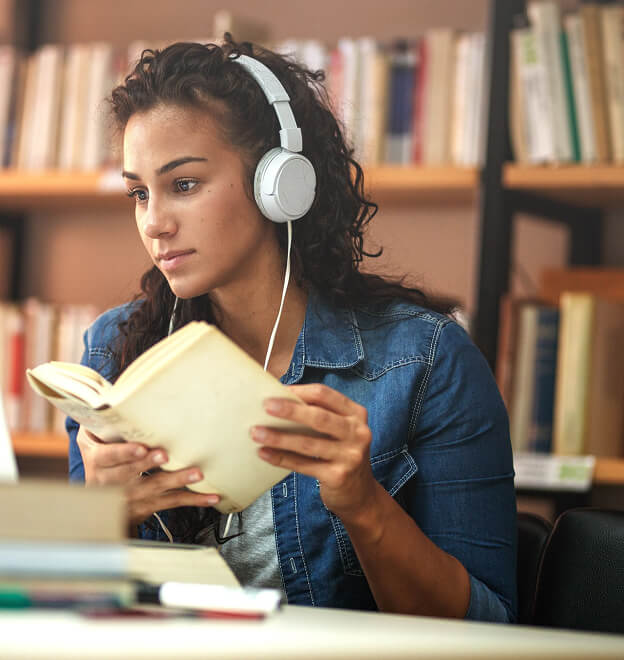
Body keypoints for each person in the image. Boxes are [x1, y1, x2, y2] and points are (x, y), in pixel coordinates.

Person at [65, 36, 516, 623]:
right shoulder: (113, 352)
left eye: (183, 185)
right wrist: (99, 518)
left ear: (278, 184)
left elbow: (488, 626)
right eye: (139, 192)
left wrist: (363, 504)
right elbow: (78, 609)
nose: (154, 223)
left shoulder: (427, 362)